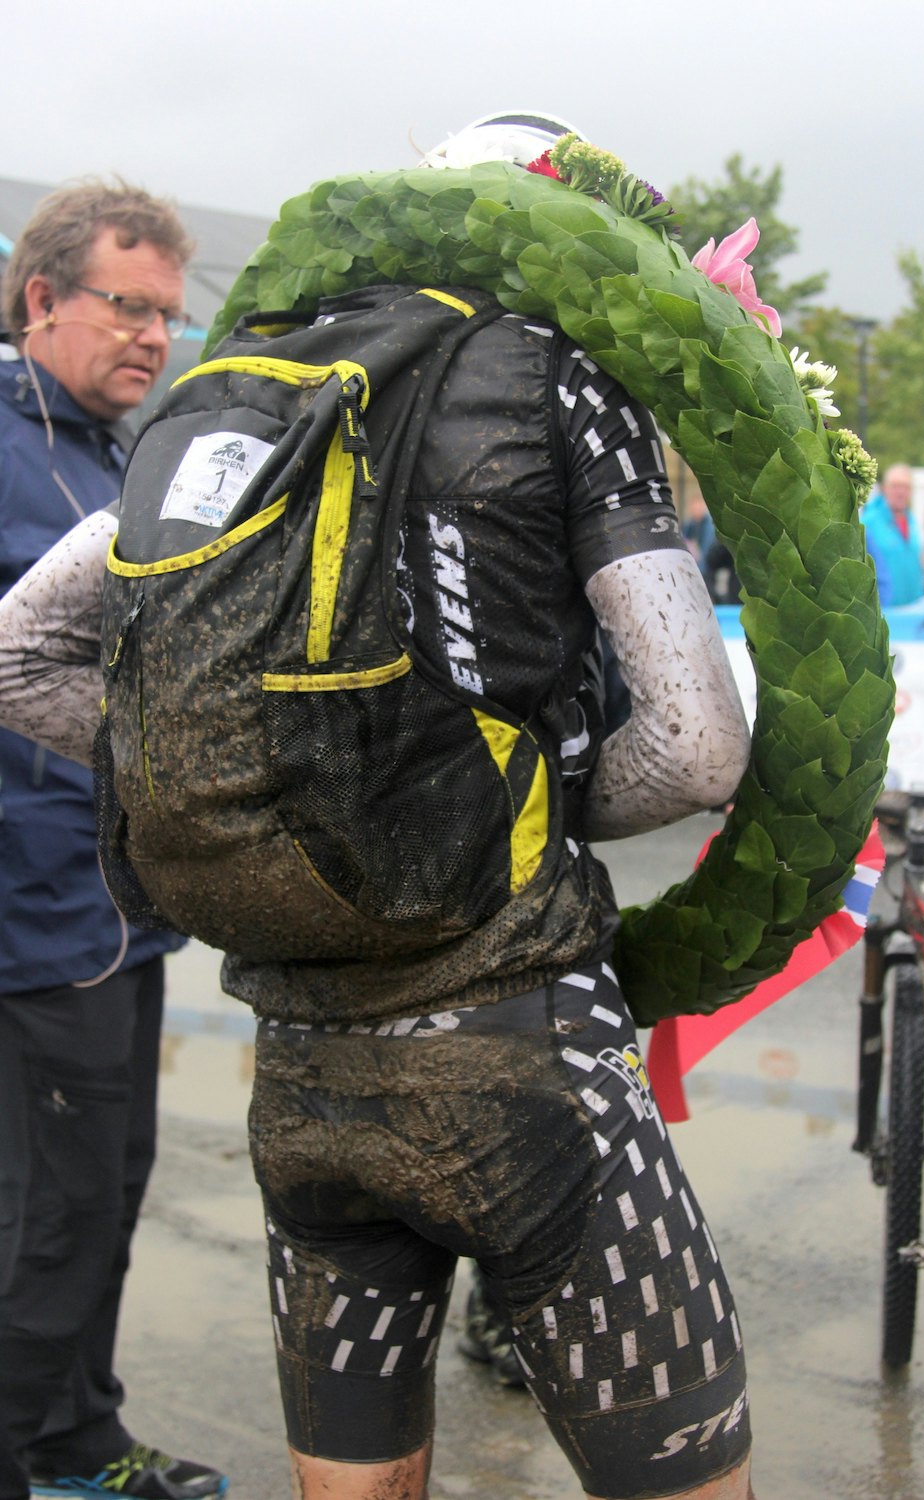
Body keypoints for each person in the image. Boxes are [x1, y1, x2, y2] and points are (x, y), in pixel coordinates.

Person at [0, 119, 755, 1500]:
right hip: (523, 1054)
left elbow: (14, 655)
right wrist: (489, 795)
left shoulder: (234, 388)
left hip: (301, 1071)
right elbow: (702, 747)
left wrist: (280, 777)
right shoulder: (554, 373)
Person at [0, 181, 227, 1500]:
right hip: (34, 905)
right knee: (58, 1209)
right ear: (43, 299)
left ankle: (79, 1434)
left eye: (168, 314)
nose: (153, 334)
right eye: (128, 305)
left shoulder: (111, 450)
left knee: (113, 1181)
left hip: (120, 902)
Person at [860, 462, 924, 606]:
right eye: (895, 486)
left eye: (906, 487)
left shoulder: (912, 521)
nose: (901, 492)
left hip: (915, 608)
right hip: (885, 612)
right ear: (884, 489)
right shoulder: (868, 522)